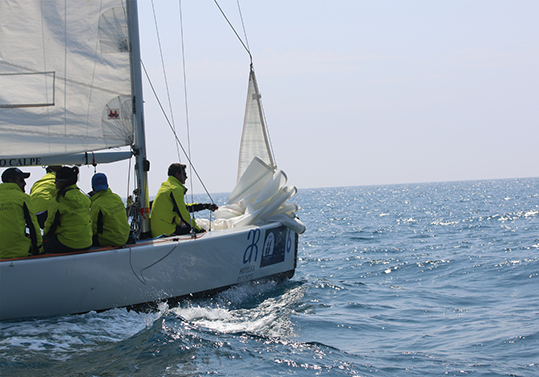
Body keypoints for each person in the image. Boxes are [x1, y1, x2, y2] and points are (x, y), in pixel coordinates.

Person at [150, 163, 218, 238]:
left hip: (158, 229)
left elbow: (183, 208)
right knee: (200, 231)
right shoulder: (175, 189)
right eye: (184, 174)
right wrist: (198, 229)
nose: (186, 177)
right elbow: (183, 214)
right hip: (164, 231)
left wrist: (205, 206)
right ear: (177, 174)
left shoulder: (167, 186)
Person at [43, 166, 92, 253]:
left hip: (67, 245)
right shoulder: (84, 198)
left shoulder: (57, 201)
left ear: (62, 182)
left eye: (56, 181)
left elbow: (50, 226)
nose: (55, 183)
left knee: (39, 242)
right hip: (87, 243)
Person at [0, 168, 43, 259]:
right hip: (19, 252)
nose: (25, 183)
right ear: (11, 181)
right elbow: (33, 225)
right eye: (21, 179)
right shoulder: (22, 198)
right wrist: (38, 249)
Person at [89, 173, 130, 247]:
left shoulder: (97, 204)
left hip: (110, 241)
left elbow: (93, 229)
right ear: (107, 186)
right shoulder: (116, 197)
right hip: (124, 237)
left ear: (93, 188)